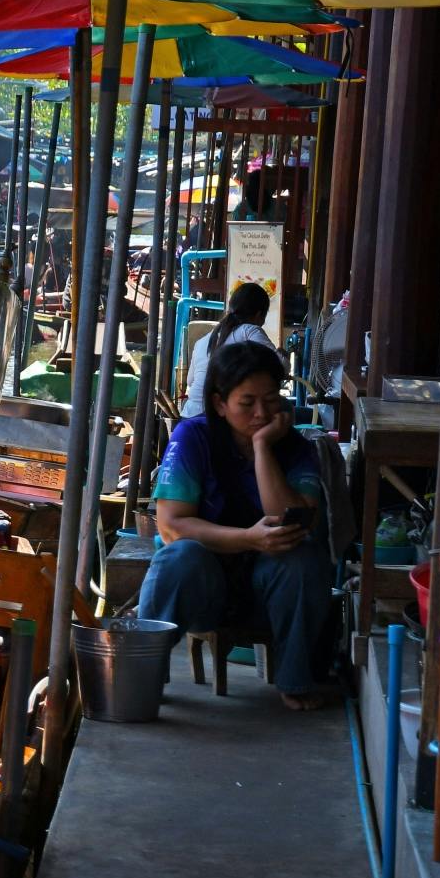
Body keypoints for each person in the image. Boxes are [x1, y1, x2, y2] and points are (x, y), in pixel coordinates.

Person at [139, 340, 334, 710]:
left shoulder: (296, 448)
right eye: (247, 403)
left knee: (304, 557)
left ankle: (294, 681)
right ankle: (143, 675)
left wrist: (262, 448)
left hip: (267, 593)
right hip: (204, 590)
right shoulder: (193, 437)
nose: (262, 412)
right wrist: (248, 539)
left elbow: (294, 521)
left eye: (272, 399)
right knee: (179, 557)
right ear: (219, 403)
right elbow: (171, 526)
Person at [180, 282, 274, 418]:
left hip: (188, 415)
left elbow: (190, 382)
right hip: (212, 420)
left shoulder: (203, 341)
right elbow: (280, 366)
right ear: (259, 315)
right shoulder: (250, 331)